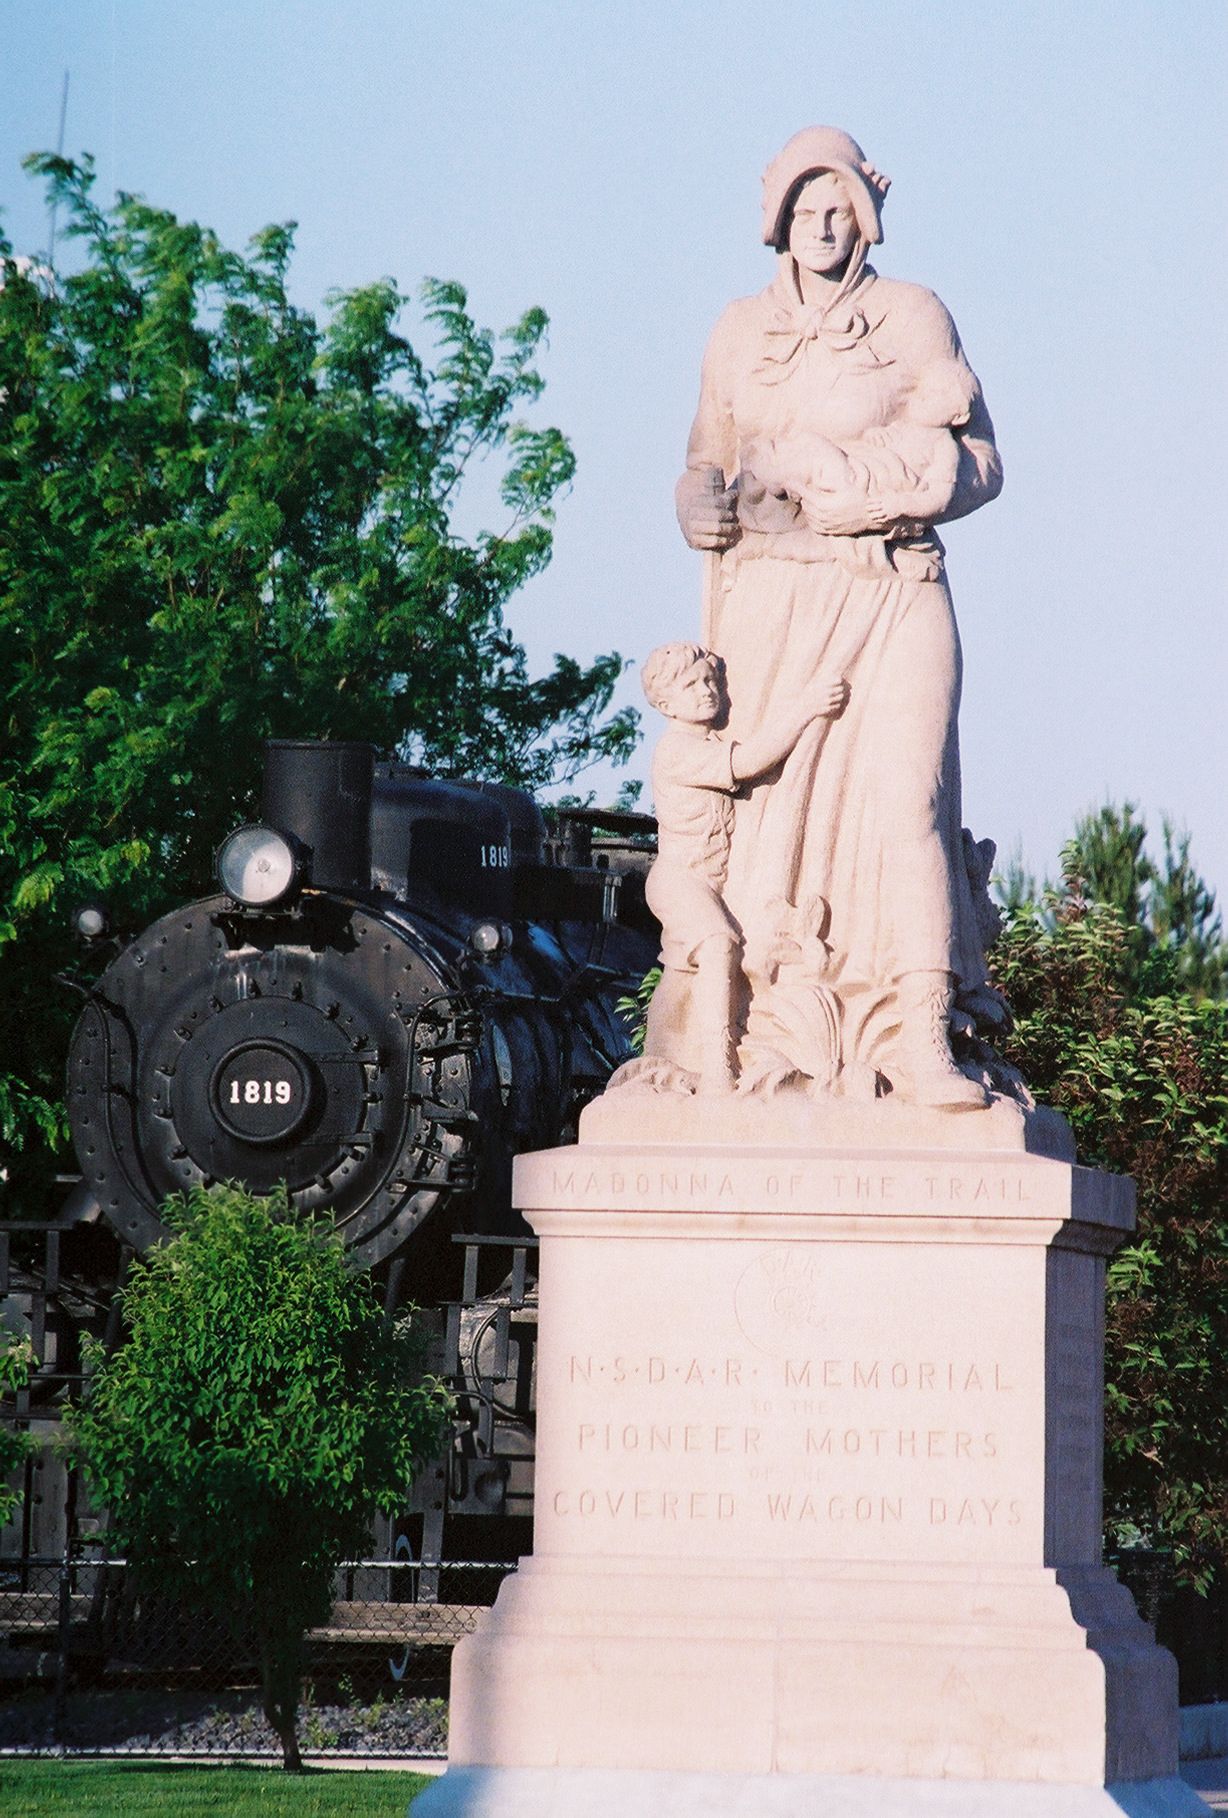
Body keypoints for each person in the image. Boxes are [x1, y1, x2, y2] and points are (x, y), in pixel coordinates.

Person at [675, 126, 1003, 1108]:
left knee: (906, 805)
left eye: (839, 208)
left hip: (893, 583)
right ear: (775, 217)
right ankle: (746, 1038)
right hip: (772, 599)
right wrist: (694, 502)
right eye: (803, 209)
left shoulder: (912, 316)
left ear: (865, 214)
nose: (821, 227)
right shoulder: (737, 328)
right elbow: (704, 457)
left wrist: (895, 495)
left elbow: (984, 466)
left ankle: (920, 1036)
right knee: (767, 824)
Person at [639, 642, 848, 1094]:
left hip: (709, 882)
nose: (705, 691)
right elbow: (750, 761)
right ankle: (718, 1066)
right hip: (679, 879)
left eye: (709, 681)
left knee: (680, 977)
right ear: (665, 703)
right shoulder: (676, 750)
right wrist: (808, 706)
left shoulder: (708, 741)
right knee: (719, 944)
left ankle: (657, 1059)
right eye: (690, 685)